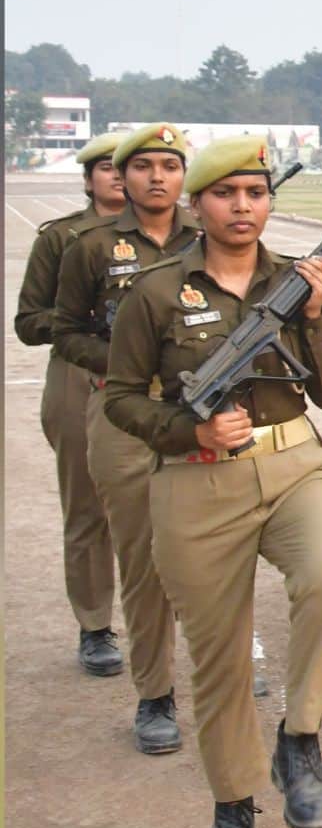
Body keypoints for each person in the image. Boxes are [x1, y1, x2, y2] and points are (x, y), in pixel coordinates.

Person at [104, 135, 322, 828]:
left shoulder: (299, 281)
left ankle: (301, 736)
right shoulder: (153, 293)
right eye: (226, 194)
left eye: (255, 193)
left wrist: (317, 314)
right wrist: (191, 430)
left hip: (293, 463)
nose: (243, 206)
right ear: (197, 205)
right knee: (218, 660)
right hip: (195, 477)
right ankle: (233, 809)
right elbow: (120, 398)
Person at [50, 123, 199, 756]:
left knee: (213, 550)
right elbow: (59, 330)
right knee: (140, 554)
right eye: (143, 167)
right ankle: (156, 693)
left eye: (170, 165)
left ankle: (221, 670)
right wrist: (121, 361)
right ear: (121, 176)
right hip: (123, 412)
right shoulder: (88, 245)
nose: (157, 177)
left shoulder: (212, 234)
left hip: (198, 411)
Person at [14, 131, 125, 676]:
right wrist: (77, 321)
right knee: (87, 508)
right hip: (82, 376)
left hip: (161, 379)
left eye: (129, 166)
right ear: (89, 179)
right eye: (108, 167)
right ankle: (96, 625)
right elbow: (29, 322)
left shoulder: (186, 237)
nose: (121, 175)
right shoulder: (61, 239)